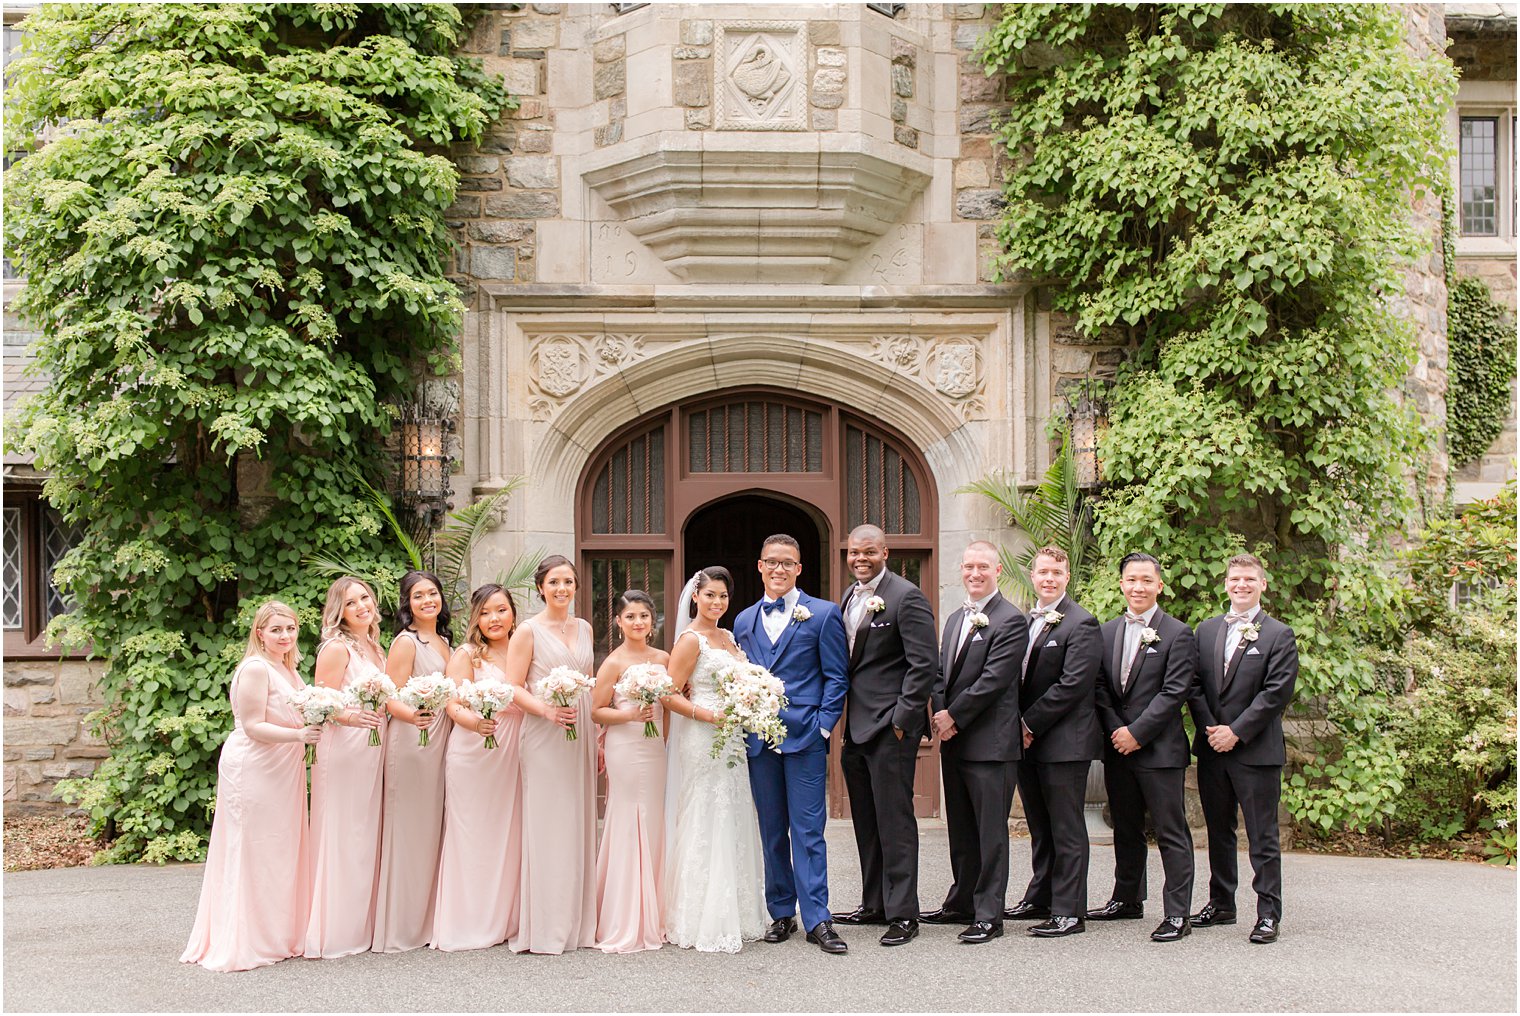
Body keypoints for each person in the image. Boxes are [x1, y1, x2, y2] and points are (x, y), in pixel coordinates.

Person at [181, 601, 321, 972]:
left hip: (282, 768)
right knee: (251, 848)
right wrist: (300, 735)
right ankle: (243, 939)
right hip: (255, 767)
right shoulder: (257, 669)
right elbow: (253, 725)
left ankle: (275, 934)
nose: (285, 636)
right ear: (260, 633)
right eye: (276, 630)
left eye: (290, 629)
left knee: (278, 849)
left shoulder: (288, 668)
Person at [733, 535, 850, 955]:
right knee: (771, 832)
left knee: (808, 832)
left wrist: (822, 727)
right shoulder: (744, 620)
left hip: (806, 739)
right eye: (772, 563)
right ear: (760, 567)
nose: (779, 569)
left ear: (799, 569)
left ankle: (818, 918)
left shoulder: (822, 614)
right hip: (759, 742)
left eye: (788, 563)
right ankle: (781, 912)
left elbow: (837, 676)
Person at [830, 524, 938, 947]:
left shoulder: (905, 596)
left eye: (869, 552)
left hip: (890, 729)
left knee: (894, 821)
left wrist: (901, 720)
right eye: (854, 552)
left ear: (885, 552)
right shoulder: (848, 597)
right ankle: (873, 903)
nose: (860, 558)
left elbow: (923, 663)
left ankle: (903, 913)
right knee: (867, 821)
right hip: (855, 727)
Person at [1188, 553, 1298, 945]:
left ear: (1262, 585)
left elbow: (1276, 693)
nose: (1241, 585)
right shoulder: (1205, 630)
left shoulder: (1279, 634)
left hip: (1255, 751)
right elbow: (1194, 685)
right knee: (1218, 830)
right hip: (1212, 748)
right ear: (1226, 584)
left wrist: (1236, 731)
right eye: (1235, 579)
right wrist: (1212, 730)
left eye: (1249, 579)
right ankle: (1221, 904)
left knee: (1262, 835)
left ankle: (1268, 913)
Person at [921, 541, 1028, 944]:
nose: (975, 573)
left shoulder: (1010, 620)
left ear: (997, 570)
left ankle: (989, 913)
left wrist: (954, 716)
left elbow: (995, 680)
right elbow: (939, 673)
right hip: (955, 741)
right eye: (968, 567)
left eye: (983, 567)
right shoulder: (953, 618)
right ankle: (961, 900)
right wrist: (940, 713)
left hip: (991, 744)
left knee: (990, 833)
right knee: (961, 829)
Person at [1089, 552, 1199, 942]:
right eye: (1131, 580)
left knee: (1171, 832)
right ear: (1122, 584)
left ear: (1159, 586)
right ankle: (1127, 898)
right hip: (1118, 747)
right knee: (1126, 826)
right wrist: (1118, 731)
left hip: (1159, 750)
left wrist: (1138, 732)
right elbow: (1100, 688)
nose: (1138, 587)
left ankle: (1177, 914)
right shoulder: (1106, 632)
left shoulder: (1178, 633)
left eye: (1146, 580)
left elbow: (1175, 692)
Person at [661, 567, 768, 952]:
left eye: (723, 596)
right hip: (703, 733)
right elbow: (668, 694)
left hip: (733, 737)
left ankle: (736, 911)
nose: (717, 602)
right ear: (695, 596)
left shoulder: (727, 636)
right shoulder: (690, 640)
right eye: (710, 595)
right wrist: (708, 715)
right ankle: (697, 915)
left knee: (734, 811)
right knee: (707, 812)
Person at [1007, 546, 1102, 938]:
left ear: (1067, 577)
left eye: (1056, 573)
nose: (1049, 578)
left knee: (1066, 826)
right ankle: (1040, 895)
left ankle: (1069, 910)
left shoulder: (1082, 623)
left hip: (1063, 742)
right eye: (1043, 572)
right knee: (1040, 824)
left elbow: (1073, 685)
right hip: (1027, 742)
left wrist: (1028, 723)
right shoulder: (1027, 621)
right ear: (1033, 576)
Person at [506, 555, 597, 955]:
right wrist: (545, 709)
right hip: (543, 733)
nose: (562, 589)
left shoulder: (585, 628)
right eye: (555, 582)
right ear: (541, 587)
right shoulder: (526, 631)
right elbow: (513, 686)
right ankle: (546, 927)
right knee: (548, 823)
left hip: (578, 733)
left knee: (577, 820)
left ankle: (576, 924)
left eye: (569, 582)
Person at [432, 584, 523, 952]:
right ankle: (469, 922)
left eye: (501, 610)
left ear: (513, 613)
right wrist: (476, 724)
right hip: (474, 751)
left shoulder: (523, 648)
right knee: (472, 833)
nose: (494, 619)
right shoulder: (466, 654)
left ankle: (507, 918)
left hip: (514, 751)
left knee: (509, 832)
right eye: (485, 613)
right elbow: (452, 705)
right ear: (475, 619)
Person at [305, 577, 388, 959]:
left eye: (365, 598)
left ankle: (361, 924)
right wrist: (354, 718)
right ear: (339, 610)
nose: (361, 606)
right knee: (344, 832)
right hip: (345, 749)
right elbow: (322, 704)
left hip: (373, 747)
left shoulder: (374, 645)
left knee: (366, 833)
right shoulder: (336, 649)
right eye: (351, 602)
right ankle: (336, 929)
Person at [372, 570, 453, 953]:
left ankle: (426, 920)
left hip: (441, 741)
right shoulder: (406, 643)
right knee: (409, 830)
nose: (427, 601)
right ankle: (400, 926)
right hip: (413, 739)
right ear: (408, 603)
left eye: (432, 594)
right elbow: (388, 697)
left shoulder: (444, 640)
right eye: (418, 596)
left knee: (431, 829)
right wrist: (413, 717)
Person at [591, 589, 670, 953]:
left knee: (654, 819)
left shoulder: (664, 658)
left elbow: (671, 704)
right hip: (626, 743)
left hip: (655, 748)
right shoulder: (614, 662)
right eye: (631, 617)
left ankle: (657, 911)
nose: (638, 622)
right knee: (628, 817)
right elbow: (597, 711)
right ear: (619, 622)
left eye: (644, 616)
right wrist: (629, 715)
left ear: (651, 622)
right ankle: (624, 915)